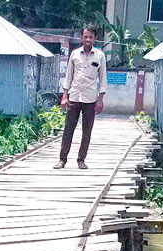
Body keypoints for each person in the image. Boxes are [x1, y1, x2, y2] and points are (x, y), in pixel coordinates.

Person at [55, 26, 107, 170]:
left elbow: (102, 79)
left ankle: (81, 160)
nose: (88, 39)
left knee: (87, 132)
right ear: (81, 38)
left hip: (90, 100)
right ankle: (62, 160)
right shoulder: (74, 54)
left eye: (91, 37)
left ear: (95, 39)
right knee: (68, 130)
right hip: (74, 97)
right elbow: (68, 76)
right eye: (85, 36)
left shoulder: (100, 56)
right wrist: (65, 96)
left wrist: (100, 100)